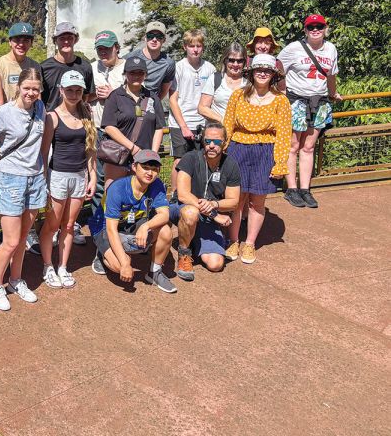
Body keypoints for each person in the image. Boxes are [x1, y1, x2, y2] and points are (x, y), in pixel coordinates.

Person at [0, 68, 49, 311]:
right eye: (27, 88)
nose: (31, 93)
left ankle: (15, 279)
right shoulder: (3, 113)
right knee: (11, 240)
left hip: (35, 178)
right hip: (11, 178)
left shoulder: (41, 109)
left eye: (35, 89)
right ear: (18, 87)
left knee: (23, 238)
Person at [223, 54, 292, 264]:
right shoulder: (237, 95)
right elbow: (227, 126)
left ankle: (250, 243)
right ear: (251, 72)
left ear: (273, 75)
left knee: (257, 202)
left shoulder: (281, 100)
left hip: (265, 152)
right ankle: (233, 240)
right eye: (259, 69)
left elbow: (284, 134)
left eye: (268, 70)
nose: (263, 73)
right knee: (237, 201)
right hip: (238, 150)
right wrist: (221, 154)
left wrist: (280, 162)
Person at [37, 71, 97, 289]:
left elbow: (90, 150)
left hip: (79, 176)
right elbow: (44, 153)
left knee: (70, 225)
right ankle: (47, 265)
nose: (73, 94)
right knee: (52, 225)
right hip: (58, 176)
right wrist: (43, 181)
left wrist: (93, 176)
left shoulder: (86, 115)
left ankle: (63, 266)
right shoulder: (52, 117)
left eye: (78, 90)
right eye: (69, 90)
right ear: (61, 90)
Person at [277, 14, 342, 209]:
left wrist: (332, 94)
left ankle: (305, 189)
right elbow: (278, 68)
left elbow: (331, 75)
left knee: (309, 146)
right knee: (293, 145)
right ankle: (291, 189)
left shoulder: (330, 49)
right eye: (311, 27)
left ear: (325, 28)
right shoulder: (293, 48)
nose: (315, 29)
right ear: (305, 30)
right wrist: (282, 92)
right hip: (297, 100)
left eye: (319, 26)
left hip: (320, 101)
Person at [88, 150, 177, 293]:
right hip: (105, 227)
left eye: (154, 169)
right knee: (121, 265)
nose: (150, 173)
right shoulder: (118, 188)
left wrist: (146, 226)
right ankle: (102, 252)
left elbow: (164, 215)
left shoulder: (156, 184)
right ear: (134, 167)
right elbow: (111, 229)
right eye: (145, 167)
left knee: (165, 230)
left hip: (134, 223)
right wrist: (124, 263)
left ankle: (155, 272)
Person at [169, 121, 241, 280]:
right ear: (203, 141)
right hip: (182, 208)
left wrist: (215, 204)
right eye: (208, 141)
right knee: (190, 213)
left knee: (215, 265)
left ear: (225, 143)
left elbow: (234, 201)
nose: (212, 146)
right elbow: (182, 195)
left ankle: (193, 237)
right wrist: (215, 214)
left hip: (208, 216)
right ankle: (184, 253)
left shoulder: (231, 165)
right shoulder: (190, 158)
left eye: (217, 142)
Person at [100, 56, 166, 190]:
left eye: (140, 73)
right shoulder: (115, 96)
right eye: (132, 73)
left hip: (144, 159)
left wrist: (152, 155)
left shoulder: (152, 98)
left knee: (140, 197)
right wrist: (133, 149)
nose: (136, 76)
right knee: (114, 194)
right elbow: (109, 126)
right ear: (125, 74)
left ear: (145, 75)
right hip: (118, 157)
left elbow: (159, 127)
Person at [167, 29, 216, 193]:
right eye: (191, 46)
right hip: (181, 122)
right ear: (184, 47)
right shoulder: (178, 68)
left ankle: (197, 192)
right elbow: (173, 100)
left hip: (202, 122)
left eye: (199, 46)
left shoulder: (210, 68)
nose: (195, 49)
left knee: (202, 159)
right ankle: (174, 194)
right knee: (179, 160)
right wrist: (183, 126)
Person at [87, 29, 126, 230]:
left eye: (107, 49)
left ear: (117, 48)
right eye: (100, 49)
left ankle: (119, 222)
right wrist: (94, 96)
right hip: (96, 130)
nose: (104, 53)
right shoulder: (91, 68)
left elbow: (138, 97)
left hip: (120, 132)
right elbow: (80, 96)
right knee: (98, 179)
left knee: (121, 179)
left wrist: (114, 94)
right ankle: (98, 223)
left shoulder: (128, 68)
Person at [40, 21, 95, 110]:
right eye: (62, 38)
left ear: (75, 40)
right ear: (55, 41)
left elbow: (86, 95)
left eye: (70, 38)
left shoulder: (85, 66)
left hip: (76, 119)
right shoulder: (44, 67)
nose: (66, 41)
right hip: (50, 119)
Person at [0, 22, 43, 105]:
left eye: (26, 40)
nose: (21, 44)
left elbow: (38, 98)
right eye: (17, 40)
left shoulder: (35, 66)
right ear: (10, 42)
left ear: (31, 43)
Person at [125, 21, 175, 101]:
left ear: (164, 40)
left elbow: (164, 90)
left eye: (159, 36)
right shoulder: (130, 57)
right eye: (150, 36)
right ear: (145, 38)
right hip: (129, 100)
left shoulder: (169, 64)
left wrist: (155, 103)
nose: (154, 39)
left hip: (151, 103)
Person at [198, 42, 247, 123]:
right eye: (231, 60)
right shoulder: (215, 79)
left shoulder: (248, 83)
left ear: (244, 62)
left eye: (240, 61)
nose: (235, 64)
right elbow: (202, 108)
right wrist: (223, 121)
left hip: (240, 132)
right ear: (225, 60)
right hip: (218, 131)